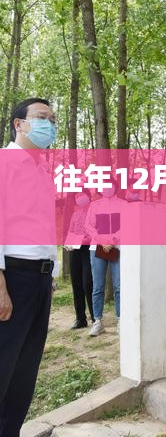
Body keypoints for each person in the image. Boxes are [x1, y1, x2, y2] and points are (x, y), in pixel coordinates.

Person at [0, 98, 58, 437]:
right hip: (12, 277)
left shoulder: (42, 171)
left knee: (24, 370)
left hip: (39, 279)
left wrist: (51, 272)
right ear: (19, 124)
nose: (49, 124)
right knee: (4, 363)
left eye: (52, 118)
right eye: (41, 117)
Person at [85, 179, 123, 337]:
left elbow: (127, 224)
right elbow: (89, 226)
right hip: (97, 247)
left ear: (115, 187)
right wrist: (102, 240)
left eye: (109, 185)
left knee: (119, 285)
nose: (106, 188)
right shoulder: (94, 205)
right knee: (98, 286)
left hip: (117, 246)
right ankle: (97, 321)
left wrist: (113, 239)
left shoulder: (123, 204)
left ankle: (121, 319)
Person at [64, 188, 94, 329]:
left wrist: (85, 240)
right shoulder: (75, 214)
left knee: (88, 283)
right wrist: (68, 242)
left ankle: (95, 317)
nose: (79, 198)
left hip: (88, 249)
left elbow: (97, 232)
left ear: (88, 196)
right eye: (77, 196)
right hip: (74, 250)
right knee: (76, 283)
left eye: (82, 195)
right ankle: (80, 319)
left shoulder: (93, 212)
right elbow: (71, 231)